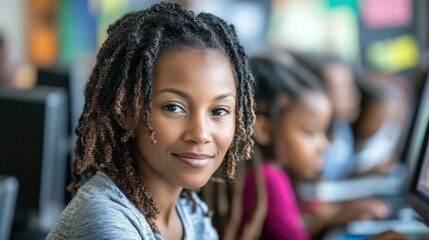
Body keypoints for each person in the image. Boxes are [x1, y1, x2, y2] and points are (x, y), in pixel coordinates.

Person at [46, 2, 256, 239]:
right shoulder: (105, 221)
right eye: (174, 107)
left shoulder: (191, 213)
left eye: (218, 111)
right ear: (126, 110)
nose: (200, 133)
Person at [227, 53, 333, 240]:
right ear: (264, 130)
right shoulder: (269, 178)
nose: (324, 146)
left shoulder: (259, 173)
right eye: (310, 133)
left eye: (324, 133)